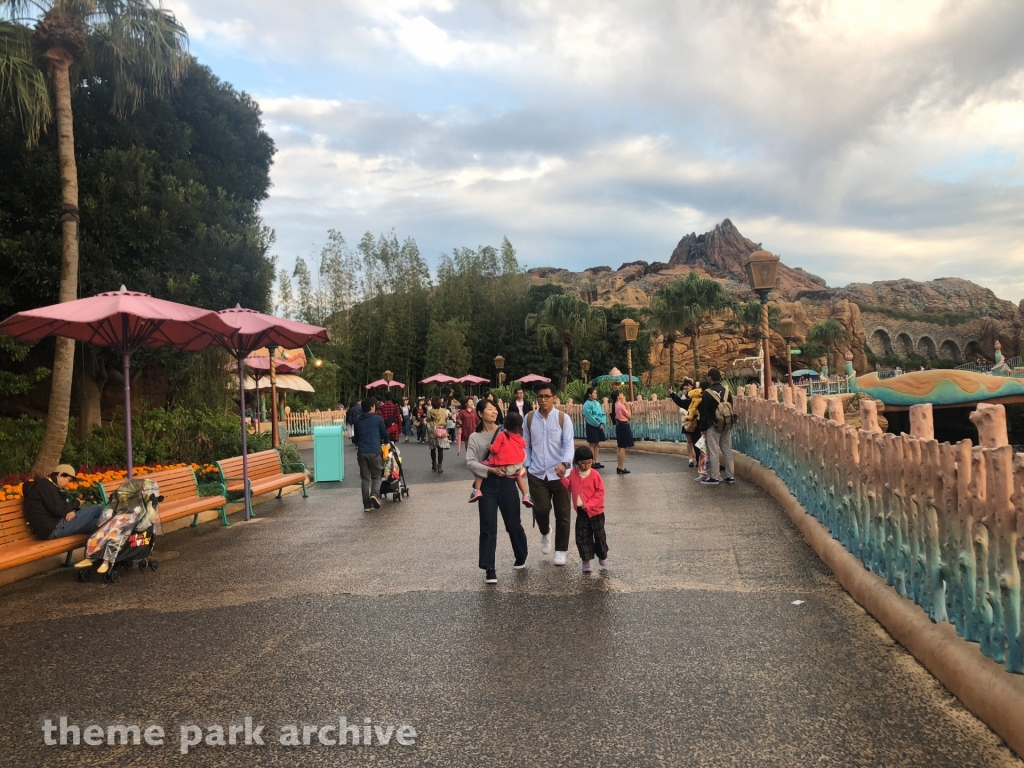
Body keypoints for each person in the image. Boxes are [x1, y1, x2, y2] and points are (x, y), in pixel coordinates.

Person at [466, 398, 529, 584]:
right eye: (489, 409)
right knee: (488, 526)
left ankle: (521, 554)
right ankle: (489, 568)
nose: (494, 412)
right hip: (487, 483)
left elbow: (520, 451)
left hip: (507, 482)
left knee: (513, 523)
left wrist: (519, 468)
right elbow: (470, 462)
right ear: (480, 414)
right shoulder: (475, 438)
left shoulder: (507, 431)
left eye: (495, 409)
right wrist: (490, 470)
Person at [523, 383, 575, 565]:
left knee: (563, 513)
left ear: (554, 397)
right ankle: (545, 531)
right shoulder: (529, 419)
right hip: (537, 473)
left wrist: (565, 464)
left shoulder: (563, 419)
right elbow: (526, 445)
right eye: (540, 396)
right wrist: (527, 464)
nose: (543, 400)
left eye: (546, 396)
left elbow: (569, 445)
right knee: (541, 509)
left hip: (560, 473)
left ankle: (561, 550)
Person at [23, 464, 105, 540]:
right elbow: (59, 509)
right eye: (68, 480)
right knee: (96, 509)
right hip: (52, 529)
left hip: (55, 526)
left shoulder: (51, 487)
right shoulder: (45, 486)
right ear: (60, 474)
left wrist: (71, 511)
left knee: (97, 524)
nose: (68, 484)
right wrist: (76, 503)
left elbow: (59, 506)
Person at [468, 412, 532, 507]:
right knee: (518, 476)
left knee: (481, 467)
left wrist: (491, 447)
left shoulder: (502, 435)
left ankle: (476, 490)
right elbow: (524, 446)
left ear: (505, 424)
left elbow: (495, 450)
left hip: (500, 464)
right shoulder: (520, 437)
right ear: (519, 427)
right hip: (514, 465)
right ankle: (526, 495)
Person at [562, 446, 608, 573]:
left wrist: (589, 504)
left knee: (599, 535)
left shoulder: (595, 475)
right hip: (581, 511)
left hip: (596, 512)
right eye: (583, 463)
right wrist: (562, 479)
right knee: (582, 536)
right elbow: (571, 487)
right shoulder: (573, 473)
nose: (586, 465)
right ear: (576, 462)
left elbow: (600, 492)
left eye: (589, 462)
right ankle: (586, 560)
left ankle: (602, 554)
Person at [697, 368, 735, 485]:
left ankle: (715, 477)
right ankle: (730, 476)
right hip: (726, 425)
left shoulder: (707, 393)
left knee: (713, 451)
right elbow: (731, 408)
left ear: (710, 378)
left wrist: (703, 428)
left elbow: (705, 412)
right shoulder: (727, 392)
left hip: (713, 426)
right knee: (727, 450)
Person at [353, 397, 389, 511]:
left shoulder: (357, 421)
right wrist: (386, 442)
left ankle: (367, 505)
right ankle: (374, 494)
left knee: (365, 479)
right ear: (372, 407)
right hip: (374, 451)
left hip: (362, 452)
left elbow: (356, 438)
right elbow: (385, 434)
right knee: (377, 475)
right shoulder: (377, 419)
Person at [668, 378, 700, 469]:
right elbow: (681, 404)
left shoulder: (698, 397)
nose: (687, 388)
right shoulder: (687, 398)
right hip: (690, 422)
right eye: (686, 386)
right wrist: (672, 393)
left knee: (700, 443)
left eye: (688, 385)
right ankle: (698, 462)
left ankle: (702, 463)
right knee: (693, 441)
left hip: (699, 422)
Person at [582, 386, 607, 469]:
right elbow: (589, 417)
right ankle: (591, 462)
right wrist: (597, 424)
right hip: (592, 425)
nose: (596, 394)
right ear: (590, 394)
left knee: (597, 444)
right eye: (594, 393)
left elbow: (603, 413)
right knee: (592, 444)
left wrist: (602, 422)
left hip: (600, 425)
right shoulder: (586, 404)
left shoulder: (597, 403)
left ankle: (596, 461)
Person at [426, 396, 451, 472]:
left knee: (433, 449)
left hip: (432, 432)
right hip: (441, 432)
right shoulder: (444, 411)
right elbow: (447, 419)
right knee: (440, 450)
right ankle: (440, 466)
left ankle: (434, 464)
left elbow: (428, 420)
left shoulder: (430, 411)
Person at [612, 390, 634, 474]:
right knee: (623, 447)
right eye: (621, 394)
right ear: (618, 397)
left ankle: (619, 466)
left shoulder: (616, 405)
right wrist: (627, 406)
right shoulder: (620, 406)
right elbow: (629, 416)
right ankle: (621, 466)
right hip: (623, 425)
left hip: (619, 425)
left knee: (620, 446)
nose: (622, 394)